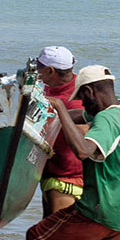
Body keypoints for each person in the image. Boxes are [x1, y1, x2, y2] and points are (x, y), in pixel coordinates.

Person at [24, 64, 120, 240]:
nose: (82, 103)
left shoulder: (106, 120)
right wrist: (52, 112)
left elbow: (83, 151)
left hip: (97, 210)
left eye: (83, 97)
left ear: (91, 91)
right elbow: (81, 115)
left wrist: (59, 106)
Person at [32, 45, 87, 217]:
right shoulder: (50, 86)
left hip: (66, 178)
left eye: (39, 68)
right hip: (51, 172)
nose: (37, 72)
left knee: (58, 235)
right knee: (47, 227)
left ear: (51, 71)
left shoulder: (82, 97)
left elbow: (87, 133)